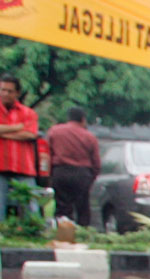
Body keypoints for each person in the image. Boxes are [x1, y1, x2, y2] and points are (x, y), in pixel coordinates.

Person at [44, 107, 99, 228]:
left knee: (62, 206)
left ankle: (63, 233)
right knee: (82, 207)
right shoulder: (89, 136)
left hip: (60, 172)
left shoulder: (54, 131)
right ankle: (83, 232)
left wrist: (49, 175)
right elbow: (96, 162)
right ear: (83, 120)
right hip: (82, 174)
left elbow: (47, 153)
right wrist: (91, 177)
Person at [0, 74, 40, 225]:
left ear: (17, 93)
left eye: (9, 91)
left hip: (22, 166)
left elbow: (30, 134)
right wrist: (16, 128)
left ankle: (34, 233)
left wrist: (3, 133)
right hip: (1, 165)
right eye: (2, 90)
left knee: (31, 204)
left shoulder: (28, 113)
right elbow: (23, 131)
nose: (5, 94)